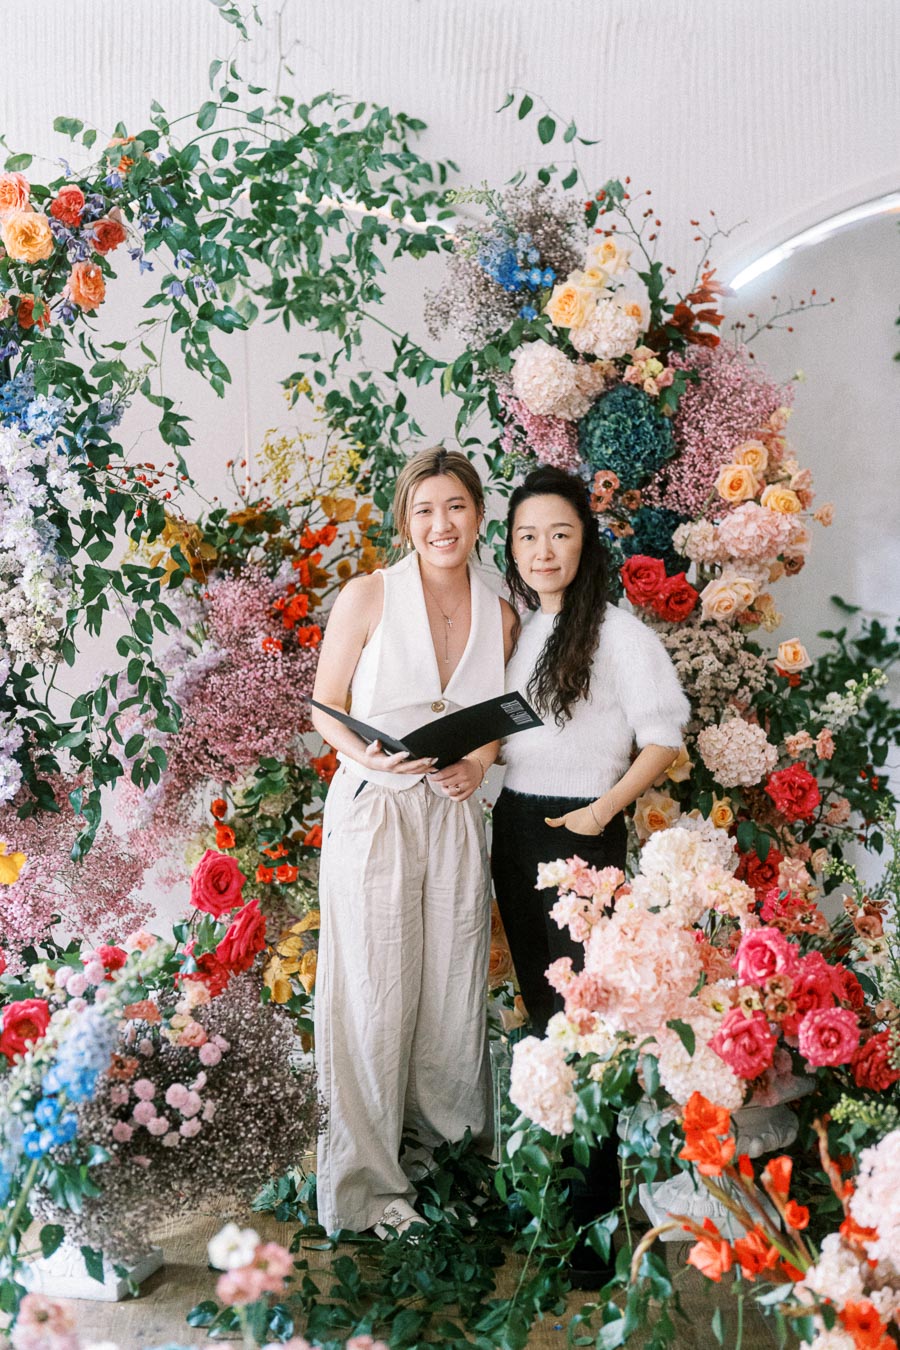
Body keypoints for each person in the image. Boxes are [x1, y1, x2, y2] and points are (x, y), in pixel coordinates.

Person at [311, 446, 518, 1238]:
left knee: (450, 996)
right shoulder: (368, 595)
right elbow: (325, 704)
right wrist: (362, 753)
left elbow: (504, 714)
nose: (443, 524)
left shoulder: (501, 604)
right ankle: (368, 1190)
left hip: (455, 817)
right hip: (376, 810)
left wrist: (479, 762)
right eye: (426, 509)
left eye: (457, 507)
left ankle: (449, 1170)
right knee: (373, 995)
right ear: (405, 519)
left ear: (477, 515)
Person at [491, 464, 690, 1282]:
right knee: (545, 1020)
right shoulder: (520, 631)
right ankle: (562, 1205)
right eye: (528, 534)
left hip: (581, 835)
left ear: (586, 542)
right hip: (515, 828)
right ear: (511, 544)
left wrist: (604, 813)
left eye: (560, 533)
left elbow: (664, 738)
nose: (543, 549)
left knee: (588, 1027)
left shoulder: (618, 633)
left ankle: (600, 1227)